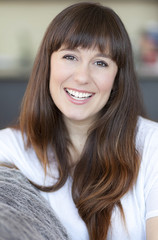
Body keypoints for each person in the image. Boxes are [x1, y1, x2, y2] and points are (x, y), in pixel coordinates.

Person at [0, 2, 158, 240]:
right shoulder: (9, 149)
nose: (82, 77)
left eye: (101, 62)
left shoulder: (152, 146)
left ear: (117, 78)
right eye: (70, 56)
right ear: (48, 64)